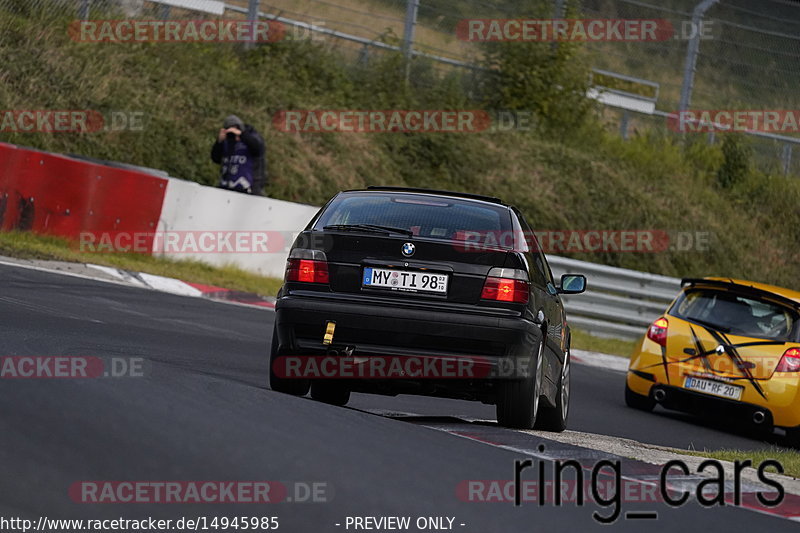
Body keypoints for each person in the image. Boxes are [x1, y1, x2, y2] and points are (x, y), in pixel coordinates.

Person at [211, 115, 267, 195]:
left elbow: (258, 149)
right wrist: (219, 142)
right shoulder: (227, 141)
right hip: (227, 188)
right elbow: (215, 158)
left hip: (250, 189)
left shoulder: (252, 136)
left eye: (235, 128)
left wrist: (242, 135)